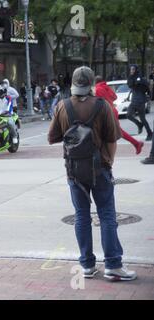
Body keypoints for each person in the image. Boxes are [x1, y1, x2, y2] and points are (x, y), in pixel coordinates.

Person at [48, 66, 137, 281]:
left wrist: (73, 135)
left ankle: (87, 265)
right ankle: (113, 265)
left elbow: (52, 137)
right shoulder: (102, 106)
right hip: (101, 169)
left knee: (81, 216)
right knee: (107, 215)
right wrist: (108, 163)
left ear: (73, 84)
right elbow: (112, 139)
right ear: (91, 84)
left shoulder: (62, 106)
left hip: (74, 171)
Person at [95, 76, 144, 154]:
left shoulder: (97, 89)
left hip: (107, 112)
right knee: (118, 131)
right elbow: (115, 97)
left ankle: (136, 144)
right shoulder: (106, 87)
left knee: (117, 132)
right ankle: (136, 144)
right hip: (113, 110)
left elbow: (97, 102)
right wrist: (109, 100)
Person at [127, 65, 152, 141]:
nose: (131, 71)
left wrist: (148, 95)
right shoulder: (131, 77)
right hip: (134, 100)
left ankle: (150, 133)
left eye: (133, 69)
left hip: (140, 101)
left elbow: (146, 87)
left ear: (136, 70)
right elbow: (130, 85)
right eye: (131, 69)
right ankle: (139, 124)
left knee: (142, 118)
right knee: (128, 115)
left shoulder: (140, 78)